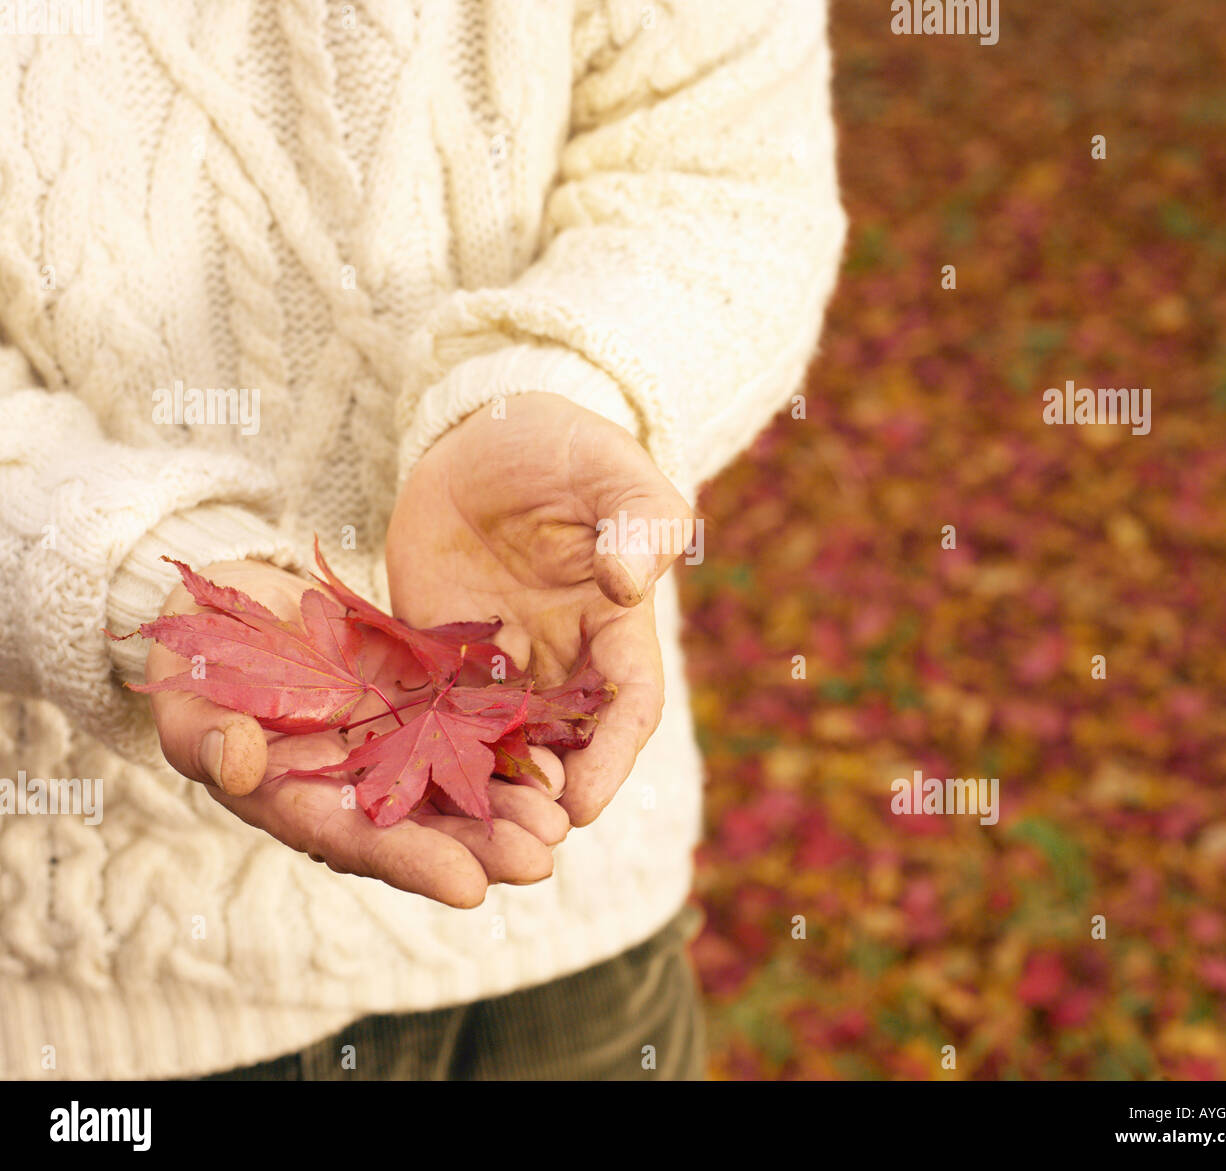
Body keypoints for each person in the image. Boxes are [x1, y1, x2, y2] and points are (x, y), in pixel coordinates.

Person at [0, 0, 846, 1080]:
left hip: (573, 928)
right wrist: (124, 576)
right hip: (100, 986)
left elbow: (723, 166)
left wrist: (559, 395)